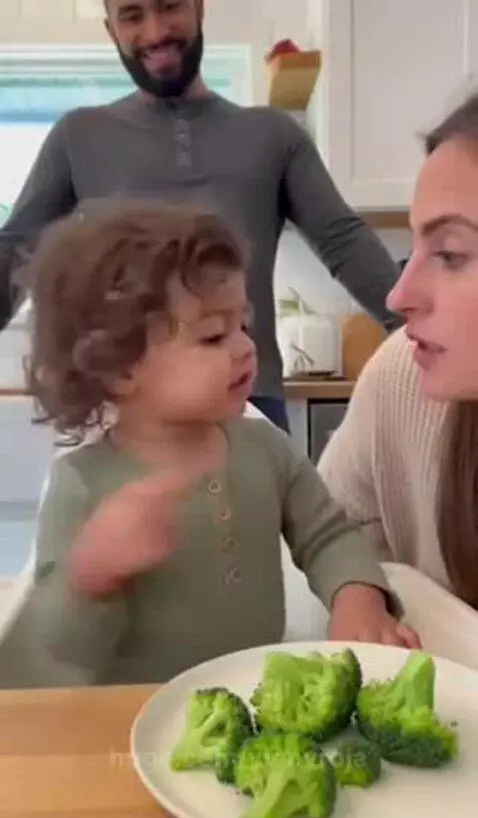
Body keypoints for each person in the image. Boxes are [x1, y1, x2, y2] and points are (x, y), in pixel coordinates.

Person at [0, 201, 418, 688]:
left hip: (254, 696)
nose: (244, 347)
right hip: (131, 716)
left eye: (242, 324)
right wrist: (90, 577)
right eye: (213, 335)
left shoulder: (267, 449)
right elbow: (55, 653)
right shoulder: (82, 484)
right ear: (119, 369)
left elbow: (328, 535)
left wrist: (357, 598)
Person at [0, 0, 401, 432]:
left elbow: (344, 242)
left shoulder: (274, 135)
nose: (154, 33)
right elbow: (17, 250)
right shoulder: (77, 137)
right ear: (112, 29)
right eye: (132, 16)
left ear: (199, 9)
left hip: (250, 404)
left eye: (169, 6)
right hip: (125, 416)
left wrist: (430, 335)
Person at [318, 91, 478, 612]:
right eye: (415, 251)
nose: (398, 296)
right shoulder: (401, 376)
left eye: (451, 255)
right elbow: (327, 531)